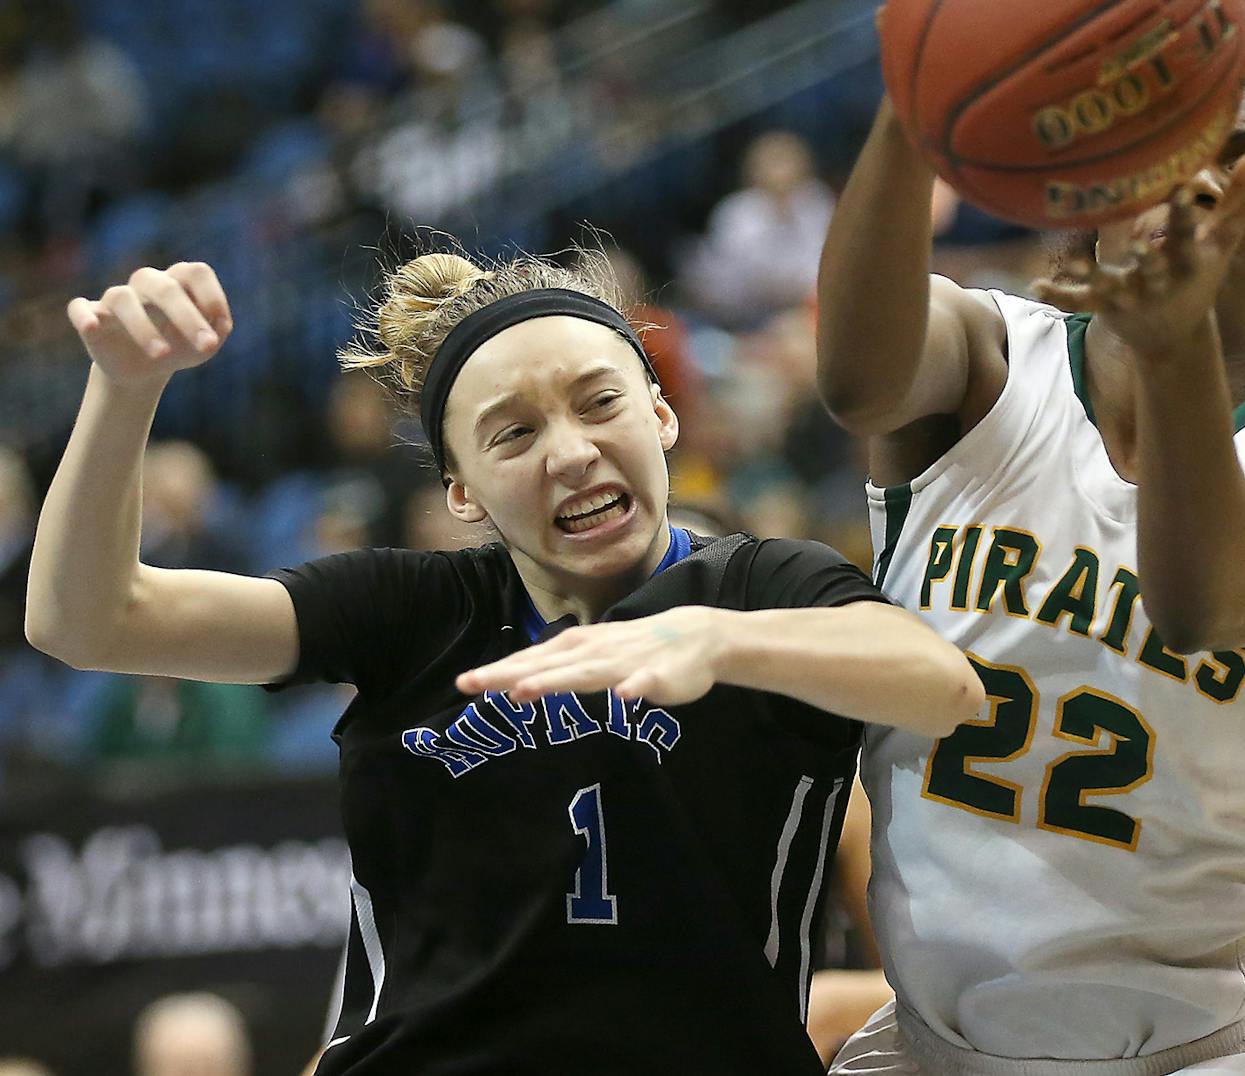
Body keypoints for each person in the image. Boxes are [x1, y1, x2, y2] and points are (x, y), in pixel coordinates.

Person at [25, 249, 983, 1075]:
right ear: (463, 493)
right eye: (514, 435)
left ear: (662, 418)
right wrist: (125, 389)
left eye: (600, 403)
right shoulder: (413, 610)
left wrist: (718, 640)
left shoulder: (764, 587)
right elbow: (88, 621)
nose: (570, 452)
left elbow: (944, 684)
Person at [813, 13, 1245, 1076]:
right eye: (1164, 156)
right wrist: (924, 107)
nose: (1196, 188)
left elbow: (1209, 601)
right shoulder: (984, 360)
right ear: (1094, 193)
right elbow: (858, 379)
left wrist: (1173, 342)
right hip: (942, 1042)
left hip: (1216, 1047)